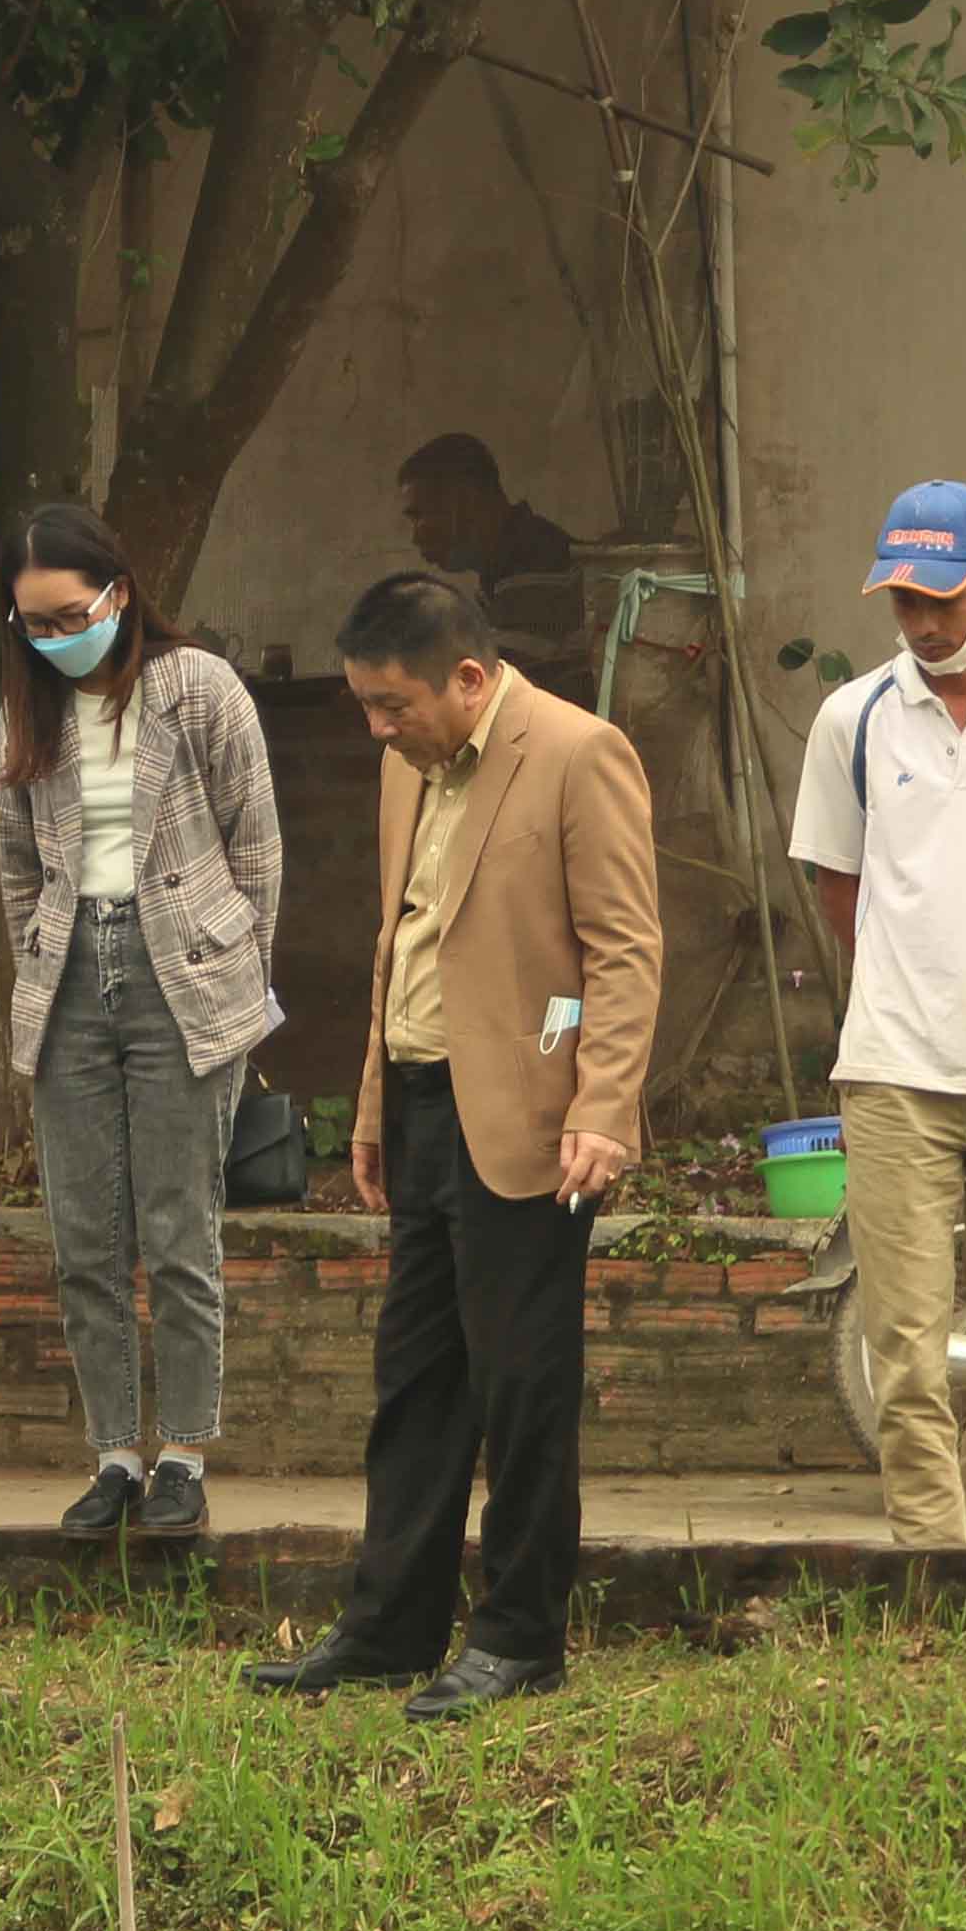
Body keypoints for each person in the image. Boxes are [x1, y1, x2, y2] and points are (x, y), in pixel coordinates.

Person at [249, 569, 661, 1720]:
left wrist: (601, 1106)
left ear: (469, 679)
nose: (378, 730)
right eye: (368, 708)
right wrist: (374, 1106)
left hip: (535, 1114)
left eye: (394, 707)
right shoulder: (407, 769)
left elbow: (624, 950)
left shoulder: (581, 755)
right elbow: (402, 944)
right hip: (426, 1098)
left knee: (523, 1383)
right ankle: (390, 1627)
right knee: (415, 1379)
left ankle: (522, 1634)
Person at [0, 499, 282, 1538]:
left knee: (178, 1226)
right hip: (70, 972)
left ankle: (184, 1455)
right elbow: (17, 865)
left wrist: (233, 970)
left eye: (75, 613)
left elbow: (256, 847)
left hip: (183, 969)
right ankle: (113, 1452)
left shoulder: (197, 688)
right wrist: (41, 957)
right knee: (85, 1233)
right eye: (38, 624)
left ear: (119, 591)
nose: (61, 637)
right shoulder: (27, 709)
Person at [790, 478, 966, 1547]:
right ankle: (930, 1563)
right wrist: (909, 988)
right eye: (905, 602)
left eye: (945, 599)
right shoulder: (849, 717)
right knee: (902, 1348)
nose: (927, 623)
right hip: (895, 1070)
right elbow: (840, 888)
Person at [395, 434, 581, 587]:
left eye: (419, 516)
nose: (416, 538)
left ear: (467, 499)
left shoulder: (539, 575)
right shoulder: (506, 568)